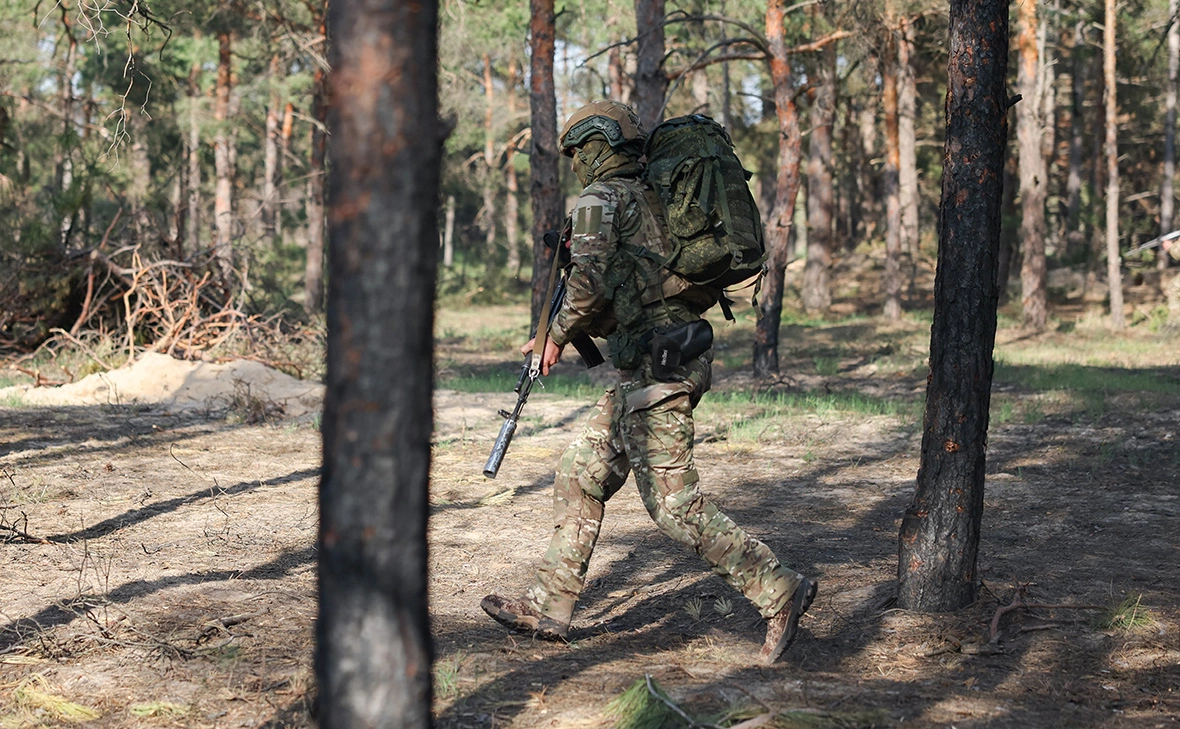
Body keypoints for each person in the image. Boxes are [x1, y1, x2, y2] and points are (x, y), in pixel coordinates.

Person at [480, 100, 817, 664]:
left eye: (576, 153)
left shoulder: (601, 199)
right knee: (582, 473)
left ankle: (779, 587)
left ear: (593, 147)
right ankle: (548, 607)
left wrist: (555, 336)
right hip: (659, 357)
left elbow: (586, 284)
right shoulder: (648, 196)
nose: (576, 165)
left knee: (672, 505)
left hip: (661, 365)